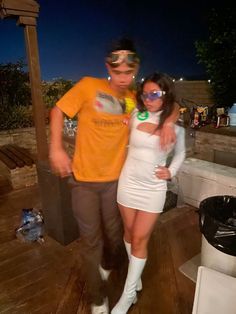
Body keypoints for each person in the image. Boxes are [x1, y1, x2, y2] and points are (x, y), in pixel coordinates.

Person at [49, 38, 179, 314]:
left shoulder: (134, 99)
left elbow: (170, 102)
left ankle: (108, 266)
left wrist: (168, 121)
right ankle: (97, 298)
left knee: (114, 235)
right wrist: (56, 148)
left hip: (116, 182)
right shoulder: (88, 86)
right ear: (108, 66)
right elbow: (58, 110)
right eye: (117, 72)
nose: (123, 78)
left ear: (135, 70)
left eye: (128, 73)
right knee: (90, 239)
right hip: (84, 181)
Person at [111, 72, 186, 314]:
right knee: (130, 233)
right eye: (146, 94)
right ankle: (136, 273)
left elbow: (181, 154)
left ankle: (128, 294)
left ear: (166, 94)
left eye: (156, 93)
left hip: (153, 189)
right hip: (128, 183)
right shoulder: (136, 113)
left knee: (141, 238)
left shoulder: (176, 127)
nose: (150, 98)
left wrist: (171, 170)